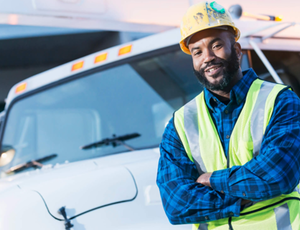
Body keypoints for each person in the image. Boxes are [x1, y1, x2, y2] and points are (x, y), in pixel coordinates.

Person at [156, 1, 300, 230]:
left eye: (216, 45)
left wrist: (211, 180)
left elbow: (279, 175)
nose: (208, 57)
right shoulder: (179, 124)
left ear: (238, 50)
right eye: (197, 51)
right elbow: (176, 203)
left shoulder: (280, 100)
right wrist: (240, 198)